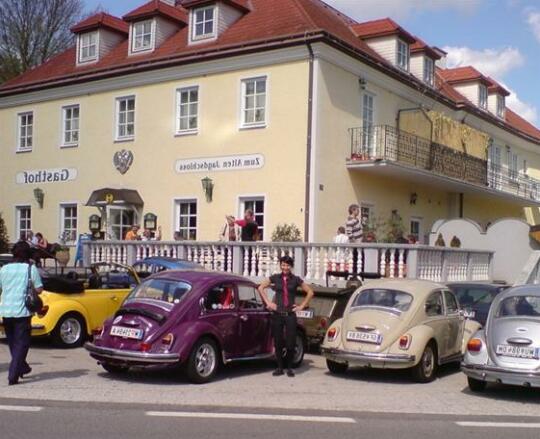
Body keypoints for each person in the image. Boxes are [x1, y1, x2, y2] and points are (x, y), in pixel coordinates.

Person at [258, 256, 314, 377]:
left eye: (287, 265)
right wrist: (268, 303)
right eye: (283, 265)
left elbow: (310, 292)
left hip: (290, 314)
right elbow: (260, 287)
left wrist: (301, 306)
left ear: (291, 266)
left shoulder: (295, 279)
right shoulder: (275, 278)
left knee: (290, 342)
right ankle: (279, 367)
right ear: (280, 265)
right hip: (277, 314)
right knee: (278, 341)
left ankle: (289, 368)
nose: (285, 267)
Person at [0, 241, 43, 385]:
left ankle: (22, 367)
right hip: (22, 311)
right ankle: (13, 374)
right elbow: (39, 289)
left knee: (13, 343)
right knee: (22, 344)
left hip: (6, 310)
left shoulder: (4, 269)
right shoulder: (30, 268)